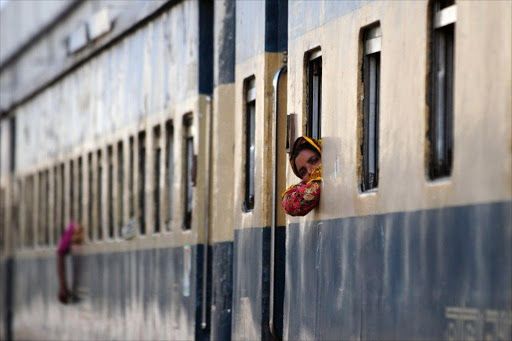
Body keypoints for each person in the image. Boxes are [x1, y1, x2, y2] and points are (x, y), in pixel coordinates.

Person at [282, 136, 322, 216]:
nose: (310, 171)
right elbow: (291, 205)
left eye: (314, 161)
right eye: (303, 172)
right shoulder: (307, 185)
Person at [56, 221, 84, 304]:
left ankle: (67, 291)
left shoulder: (70, 231)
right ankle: (67, 291)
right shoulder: (71, 231)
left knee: (64, 274)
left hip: (62, 254)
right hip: (62, 253)